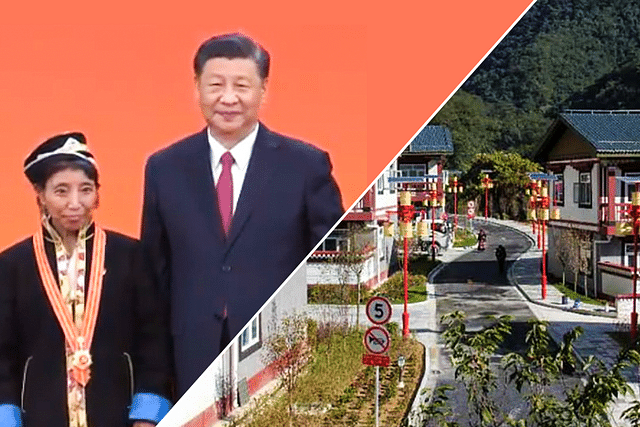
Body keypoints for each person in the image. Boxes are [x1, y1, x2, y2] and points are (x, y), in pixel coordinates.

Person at [140, 33, 344, 396]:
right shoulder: (164, 168)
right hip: (190, 358)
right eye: (216, 85)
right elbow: (155, 275)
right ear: (197, 88)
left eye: (242, 86)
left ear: (263, 90)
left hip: (281, 355)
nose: (228, 98)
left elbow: (331, 268)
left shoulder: (305, 165)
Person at [0, 133, 172, 427]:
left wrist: (147, 414)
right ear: (40, 195)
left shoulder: (130, 256)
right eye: (61, 191)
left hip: (118, 413)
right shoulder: (13, 264)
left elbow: (153, 341)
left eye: (86, 190)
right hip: (40, 417)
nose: (75, 203)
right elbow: (3, 354)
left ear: (98, 194)